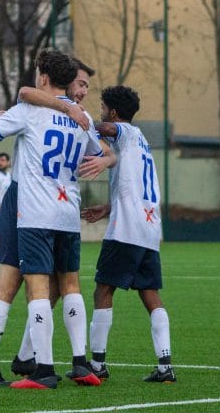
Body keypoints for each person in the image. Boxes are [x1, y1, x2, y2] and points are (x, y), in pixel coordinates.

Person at [0, 49, 104, 389]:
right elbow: (97, 155)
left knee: (27, 285)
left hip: (33, 209)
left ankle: (38, 366)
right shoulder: (81, 117)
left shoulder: (28, 111)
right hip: (68, 210)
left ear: (43, 76)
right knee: (67, 284)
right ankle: (75, 361)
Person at [80, 86, 175, 383]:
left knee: (103, 290)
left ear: (114, 112)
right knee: (149, 293)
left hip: (127, 230)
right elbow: (135, 186)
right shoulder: (140, 141)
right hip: (148, 227)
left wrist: (73, 115)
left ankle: (97, 364)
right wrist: (108, 207)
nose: (99, 112)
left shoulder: (124, 131)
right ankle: (165, 366)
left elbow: (103, 128)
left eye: (102, 107)